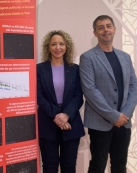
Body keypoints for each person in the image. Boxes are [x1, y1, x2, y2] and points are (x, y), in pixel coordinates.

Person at [79, 15, 137, 173]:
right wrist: (114, 116)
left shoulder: (125, 57)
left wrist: (125, 114)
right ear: (95, 33)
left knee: (120, 165)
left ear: (114, 29)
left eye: (108, 26)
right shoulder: (88, 57)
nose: (105, 30)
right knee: (98, 165)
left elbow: (134, 85)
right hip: (100, 123)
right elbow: (90, 90)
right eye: (101, 27)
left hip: (124, 122)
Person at [37, 30, 85, 173]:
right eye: (54, 44)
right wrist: (58, 115)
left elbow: (79, 96)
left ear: (67, 46)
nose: (58, 47)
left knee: (69, 167)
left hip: (71, 123)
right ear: (48, 47)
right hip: (47, 123)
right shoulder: (39, 69)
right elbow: (38, 96)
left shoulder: (75, 69)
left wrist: (66, 115)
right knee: (49, 167)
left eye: (61, 44)